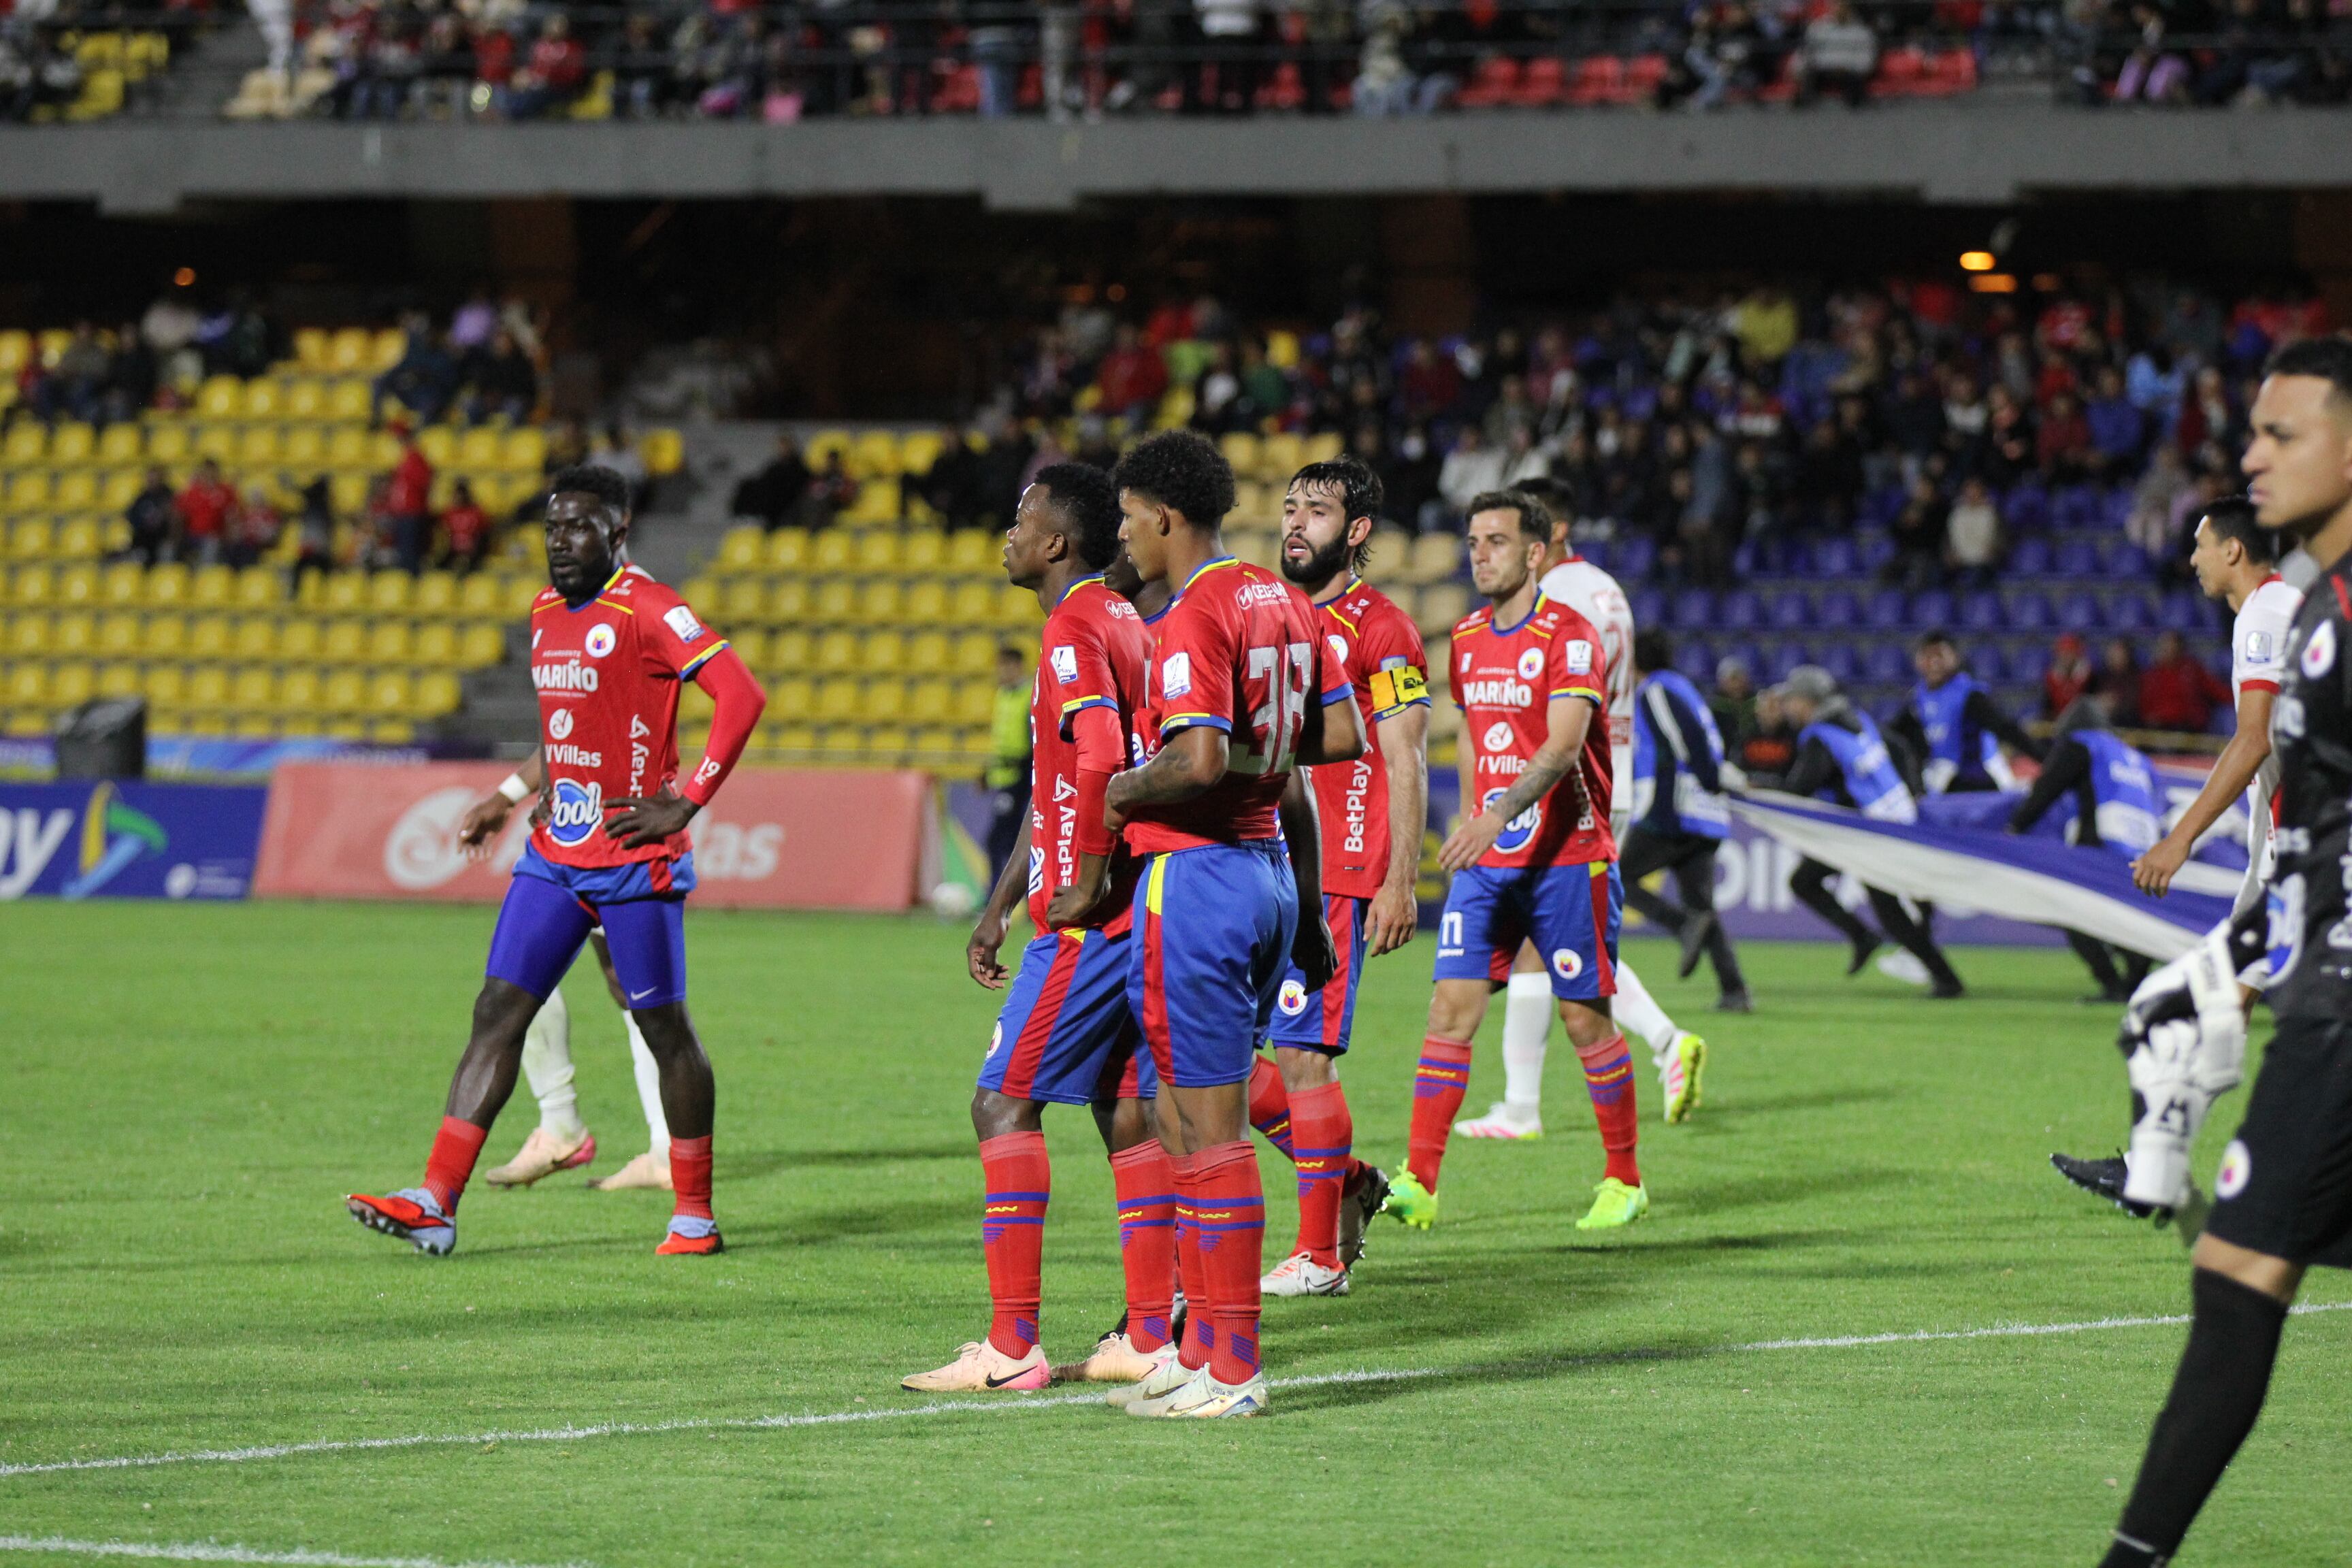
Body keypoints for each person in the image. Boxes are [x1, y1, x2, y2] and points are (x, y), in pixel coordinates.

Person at [345, 466, 768, 1258]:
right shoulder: (546, 612)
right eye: (552, 528)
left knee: (662, 1027)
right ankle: (435, 1202)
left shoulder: (649, 607)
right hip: (555, 855)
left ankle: (694, 1215)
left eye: (579, 527)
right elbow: (568, 731)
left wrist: (687, 802)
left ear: (619, 531)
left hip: (633, 858)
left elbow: (741, 695)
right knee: (497, 1011)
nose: (561, 542)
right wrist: (509, 795)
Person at [2093, 336, 2352, 1568]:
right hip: (2325, 969)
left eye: (2281, 434)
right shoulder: (2313, 611)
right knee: (2239, 1268)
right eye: (2251, 431)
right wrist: (2244, 944)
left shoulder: (2319, 617)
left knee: (2238, 1269)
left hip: (2345, 1004)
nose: (2252, 456)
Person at [1098, 429, 1363, 1419]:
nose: (1124, 535)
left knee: (1208, 1131)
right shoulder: (1281, 598)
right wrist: (1260, 759)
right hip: (1268, 872)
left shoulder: (1193, 613)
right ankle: (1200, 1348)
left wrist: (1119, 790)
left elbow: (1198, 761)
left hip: (1201, 878)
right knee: (1179, 1112)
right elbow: (1338, 734)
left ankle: (1237, 1368)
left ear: (1165, 517)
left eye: (1130, 518)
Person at [902, 465, 1177, 1394]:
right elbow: (1061, 784)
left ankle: (1012, 1346)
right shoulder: (1124, 621)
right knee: (1125, 1110)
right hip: (1135, 906)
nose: (1008, 535)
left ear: (1056, 541)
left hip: (1089, 923)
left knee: (1002, 1103)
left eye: (1022, 519)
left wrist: (1083, 881)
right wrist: (1001, 902)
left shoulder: (1073, 628)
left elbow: (1098, 762)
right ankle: (1149, 1333)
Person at [1384, 488, 1647, 1235]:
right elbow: (1473, 731)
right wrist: (1476, 815)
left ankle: (1624, 1180)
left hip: (1570, 855)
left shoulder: (1570, 635)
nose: (1480, 554)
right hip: (1493, 862)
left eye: (1496, 541)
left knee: (1584, 1019)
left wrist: (1496, 814)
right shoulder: (1467, 637)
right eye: (1473, 541)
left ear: (1535, 553)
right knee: (1450, 1009)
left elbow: (1564, 746)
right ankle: (1420, 1182)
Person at [2054, 495, 2304, 1213]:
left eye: (2200, 544)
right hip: (2291, 851)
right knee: (2224, 1005)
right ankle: (2150, 1173)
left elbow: (2253, 740)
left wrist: (2179, 837)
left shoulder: (2265, 615)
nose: (2191, 559)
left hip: (2312, 851)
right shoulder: (2287, 611)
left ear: (2233, 550)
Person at [1457, 479, 1711, 1141]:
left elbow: (1545, 699)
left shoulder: (1558, 599)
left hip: (1568, 784)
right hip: (1614, 773)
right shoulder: (1606, 589)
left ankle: (1526, 1105)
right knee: (1558, 942)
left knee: (1549, 942)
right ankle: (1659, 1045)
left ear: (1551, 534)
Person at [1239, 455, 1424, 1299]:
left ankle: (1319, 1255)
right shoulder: (1262, 614)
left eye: (1315, 510)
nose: (1295, 522)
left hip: (1340, 872)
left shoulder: (1385, 630)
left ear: (1355, 531)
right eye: (1289, 507)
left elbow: (1406, 755)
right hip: (1253, 863)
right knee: (1216, 1060)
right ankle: (1348, 1180)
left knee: (1303, 1055)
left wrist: (1399, 880)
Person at [455, 743, 680, 1194]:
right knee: (549, 978)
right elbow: (566, 738)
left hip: (612, 842)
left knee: (626, 991)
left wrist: (506, 797)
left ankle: (603, 1137)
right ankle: (581, 1132)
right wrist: (507, 796)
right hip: (581, 836)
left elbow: (577, 737)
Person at [1773, 665, 1968, 999]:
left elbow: (1799, 789)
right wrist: (1914, 792)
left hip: (1870, 833)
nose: (1787, 707)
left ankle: (1944, 978)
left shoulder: (1821, 736)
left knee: (1886, 910)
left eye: (1791, 699)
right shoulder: (1858, 720)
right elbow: (1900, 749)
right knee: (1807, 881)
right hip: (1890, 822)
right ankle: (1869, 939)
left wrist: (1757, 786)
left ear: (1807, 701)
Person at [1623, 627, 1752, 1012]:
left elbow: (1687, 738)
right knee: (1702, 906)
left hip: (1677, 811)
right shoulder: (1684, 688)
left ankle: (1680, 925)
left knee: (1616, 878)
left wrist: (1709, 778)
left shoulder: (1656, 691)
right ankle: (1735, 991)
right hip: (1705, 814)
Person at [2005, 699, 2162, 1002]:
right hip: (2142, 850)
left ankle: (2114, 983)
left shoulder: (2081, 744)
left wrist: (2015, 827)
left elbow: (2047, 788)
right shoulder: (2136, 758)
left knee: (2076, 914)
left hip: (2099, 843)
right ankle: (2135, 979)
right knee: (2127, 917)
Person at [1889, 630, 2042, 795]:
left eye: (1939, 655)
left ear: (1955, 657)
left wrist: (2043, 758)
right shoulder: (1917, 698)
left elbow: (2006, 729)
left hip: (1981, 775)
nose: (1933, 662)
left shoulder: (1970, 694)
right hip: (1939, 775)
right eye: (1927, 656)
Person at [983, 645, 1032, 887]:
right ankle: (1015, 896)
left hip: (1020, 779)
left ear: (1017, 666)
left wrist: (1024, 772)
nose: (1001, 672)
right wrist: (986, 771)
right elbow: (1000, 739)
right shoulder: (1002, 695)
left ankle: (993, 896)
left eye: (1005, 666)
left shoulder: (1029, 696)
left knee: (997, 840)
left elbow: (1033, 740)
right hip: (1002, 778)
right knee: (1010, 840)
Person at [2138, 628, 2232, 733]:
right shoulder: (2151, 674)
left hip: (2188, 726)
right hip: (2159, 727)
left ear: (2180, 647)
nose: (2167, 649)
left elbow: (2215, 689)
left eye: (2171, 644)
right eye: (2164, 645)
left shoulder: (2192, 670)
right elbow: (2143, 701)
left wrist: (2239, 697)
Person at [382, 418, 434, 575]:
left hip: (412, 511)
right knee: (403, 553)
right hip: (403, 511)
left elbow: (424, 480)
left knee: (409, 554)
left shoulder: (414, 458)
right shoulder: (406, 458)